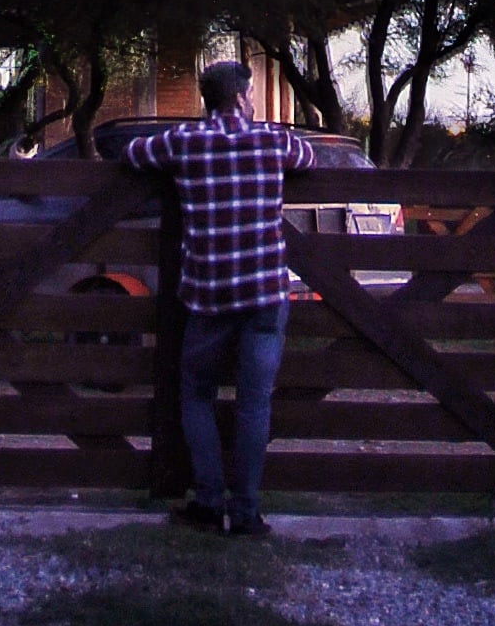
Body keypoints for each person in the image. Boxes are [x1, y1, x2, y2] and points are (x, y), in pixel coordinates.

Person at [100, 57, 329, 537]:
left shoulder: (183, 142)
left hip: (209, 294)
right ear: (242, 97)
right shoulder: (272, 141)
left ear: (207, 99)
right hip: (266, 291)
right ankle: (245, 511)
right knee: (254, 403)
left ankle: (207, 501)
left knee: (196, 395)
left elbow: (129, 154)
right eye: (250, 93)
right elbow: (311, 158)